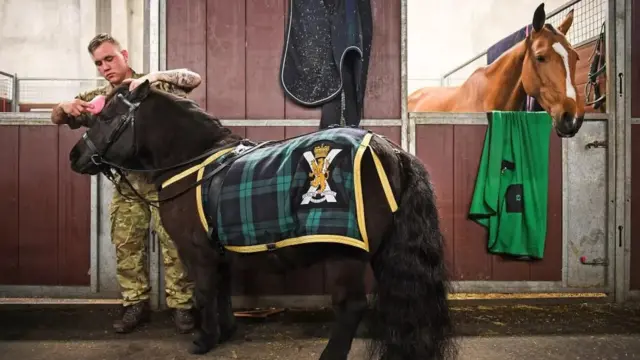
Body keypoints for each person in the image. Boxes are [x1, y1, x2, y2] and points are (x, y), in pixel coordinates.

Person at [51, 33, 202, 334]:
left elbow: (193, 79)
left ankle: (182, 307)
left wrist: (156, 74)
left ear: (125, 55)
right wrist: (66, 106)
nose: (105, 67)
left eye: (110, 59)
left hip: (165, 184)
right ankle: (135, 305)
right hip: (128, 187)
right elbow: (56, 117)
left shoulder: (150, 86)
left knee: (175, 246)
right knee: (127, 247)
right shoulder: (98, 99)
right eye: (98, 63)